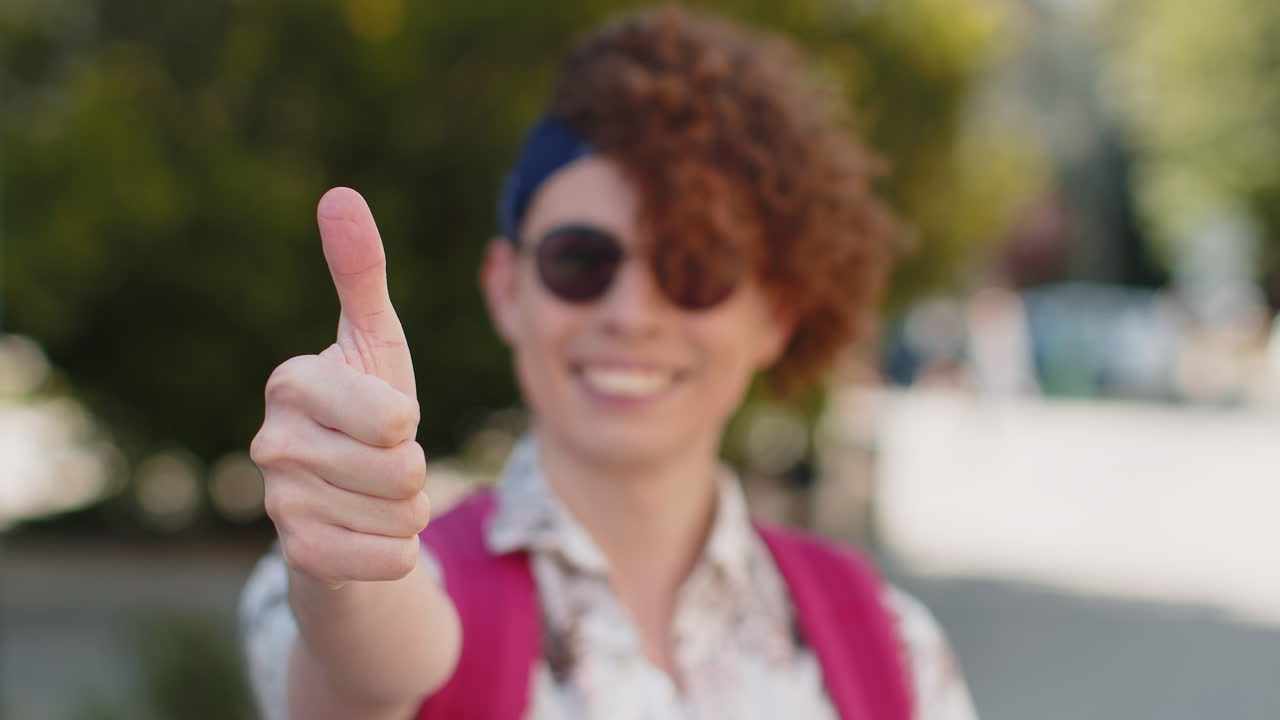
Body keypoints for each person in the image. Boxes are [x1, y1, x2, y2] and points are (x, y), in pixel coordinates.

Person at [240, 6, 979, 719]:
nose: (631, 314)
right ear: (506, 288)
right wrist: (351, 570)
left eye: (694, 267)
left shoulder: (896, 649)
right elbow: (367, 676)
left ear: (775, 315)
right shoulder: (328, 580)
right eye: (580, 261)